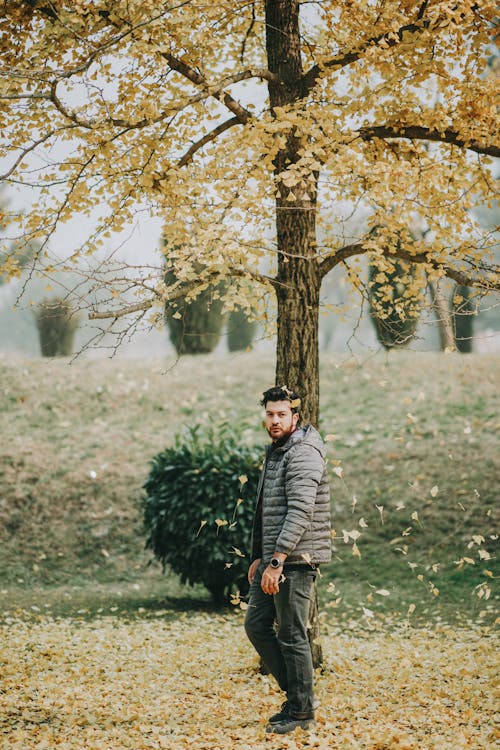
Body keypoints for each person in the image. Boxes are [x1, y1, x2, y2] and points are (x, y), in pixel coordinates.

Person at [244, 385, 332, 735]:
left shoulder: (304, 452)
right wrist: (259, 558)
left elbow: (299, 512)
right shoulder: (280, 450)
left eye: (282, 414)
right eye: (270, 414)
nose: (275, 420)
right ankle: (297, 698)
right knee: (257, 625)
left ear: (296, 416)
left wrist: (277, 561)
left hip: (296, 560)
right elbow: (268, 511)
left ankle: (301, 711)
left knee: (293, 635)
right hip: (275, 559)